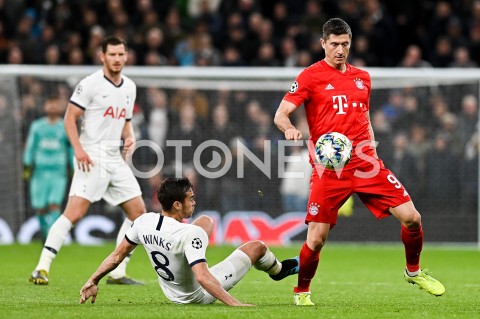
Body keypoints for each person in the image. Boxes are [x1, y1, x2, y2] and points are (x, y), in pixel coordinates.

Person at [273, 18, 445, 306]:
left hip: (366, 164)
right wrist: (289, 128)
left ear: (350, 43)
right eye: (334, 44)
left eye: (345, 44)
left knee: (413, 218)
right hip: (329, 168)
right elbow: (281, 113)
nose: (340, 50)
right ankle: (301, 292)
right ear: (323, 44)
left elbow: (364, 117)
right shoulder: (309, 77)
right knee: (315, 239)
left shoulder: (362, 77)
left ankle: (413, 271)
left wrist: (373, 152)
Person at [29, 35, 146, 285]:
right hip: (91, 156)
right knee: (75, 212)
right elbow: (69, 119)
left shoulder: (129, 87)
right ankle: (41, 267)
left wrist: (130, 137)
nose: (117, 59)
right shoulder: (90, 84)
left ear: (126, 56)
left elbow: (126, 122)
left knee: (139, 214)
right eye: (112, 54)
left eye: (120, 54)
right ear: (102, 56)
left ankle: (117, 271)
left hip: (114, 158)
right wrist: (79, 150)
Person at [79, 177, 298, 306]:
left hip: (170, 290)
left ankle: (193, 250)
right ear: (176, 205)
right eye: (190, 199)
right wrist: (235, 304)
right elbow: (202, 277)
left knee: (205, 220)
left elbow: (117, 256)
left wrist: (93, 280)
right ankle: (279, 271)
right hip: (195, 296)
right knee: (257, 247)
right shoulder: (190, 234)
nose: (194, 202)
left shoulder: (143, 222)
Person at [23, 97, 72, 241]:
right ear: (44, 107)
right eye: (49, 104)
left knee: (54, 203)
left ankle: (53, 236)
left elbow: (70, 148)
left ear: (59, 108)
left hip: (58, 171)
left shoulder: (65, 126)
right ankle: (45, 232)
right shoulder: (37, 126)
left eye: (55, 104)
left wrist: (74, 166)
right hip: (40, 171)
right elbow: (30, 146)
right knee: (40, 206)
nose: (52, 107)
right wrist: (27, 163)